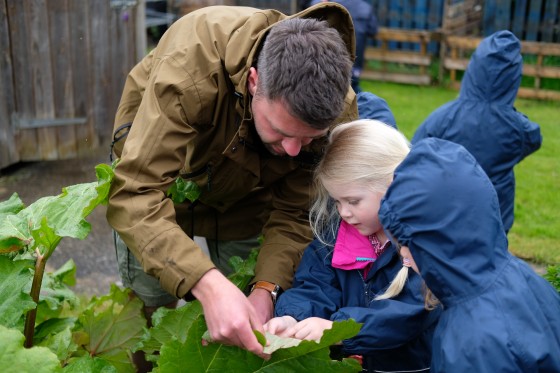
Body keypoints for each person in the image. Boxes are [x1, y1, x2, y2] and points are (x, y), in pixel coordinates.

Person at [106, 3, 358, 366]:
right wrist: (206, 284)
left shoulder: (336, 106)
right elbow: (136, 192)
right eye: (283, 131)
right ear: (255, 82)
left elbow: (297, 211)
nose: (291, 150)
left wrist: (266, 290)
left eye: (307, 139)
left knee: (242, 307)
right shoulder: (188, 66)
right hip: (163, 185)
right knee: (150, 305)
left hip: (250, 194)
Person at [265, 120, 441, 372]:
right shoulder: (335, 235)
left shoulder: (424, 242)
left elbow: (408, 314)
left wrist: (338, 329)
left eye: (353, 201)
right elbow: (316, 284)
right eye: (336, 201)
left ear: (393, 184)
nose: (343, 212)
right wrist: (292, 317)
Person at [379, 138, 560, 372]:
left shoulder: (470, 344)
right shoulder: (522, 276)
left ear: (437, 243)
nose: (403, 254)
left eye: (407, 242)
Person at [412, 30, 542, 234]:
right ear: (514, 78)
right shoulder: (518, 126)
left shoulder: (446, 116)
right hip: (495, 216)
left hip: (447, 210)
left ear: (474, 68)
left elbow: (416, 148)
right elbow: (534, 139)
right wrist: (508, 112)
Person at [307, 0, 378, 92]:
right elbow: (373, 31)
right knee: (353, 90)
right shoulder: (365, 7)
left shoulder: (328, 4)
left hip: (330, 58)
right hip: (355, 58)